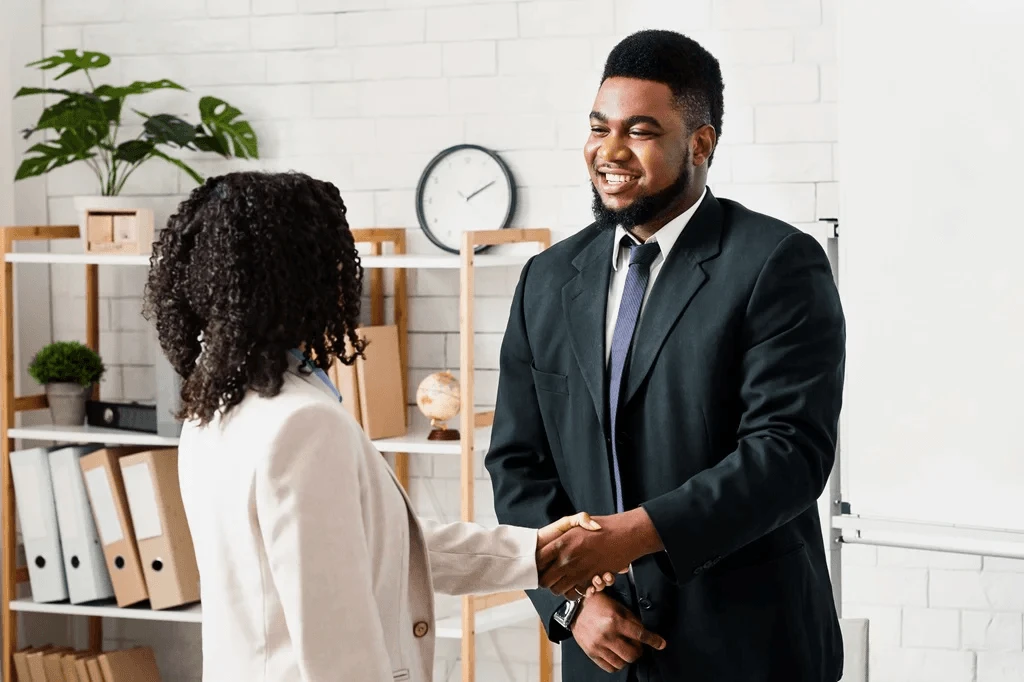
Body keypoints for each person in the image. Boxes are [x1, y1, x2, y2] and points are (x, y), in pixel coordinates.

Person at [142, 171, 617, 682]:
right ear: (313, 275)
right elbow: (339, 652)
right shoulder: (303, 426)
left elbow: (372, 544)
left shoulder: (214, 407)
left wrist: (534, 554)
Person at [486, 29, 846, 682]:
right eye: (599, 128)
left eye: (641, 131)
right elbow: (517, 462)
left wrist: (641, 531)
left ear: (700, 143)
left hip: (747, 649)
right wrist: (572, 602)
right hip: (601, 654)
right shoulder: (546, 279)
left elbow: (788, 453)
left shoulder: (775, 264)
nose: (610, 152)